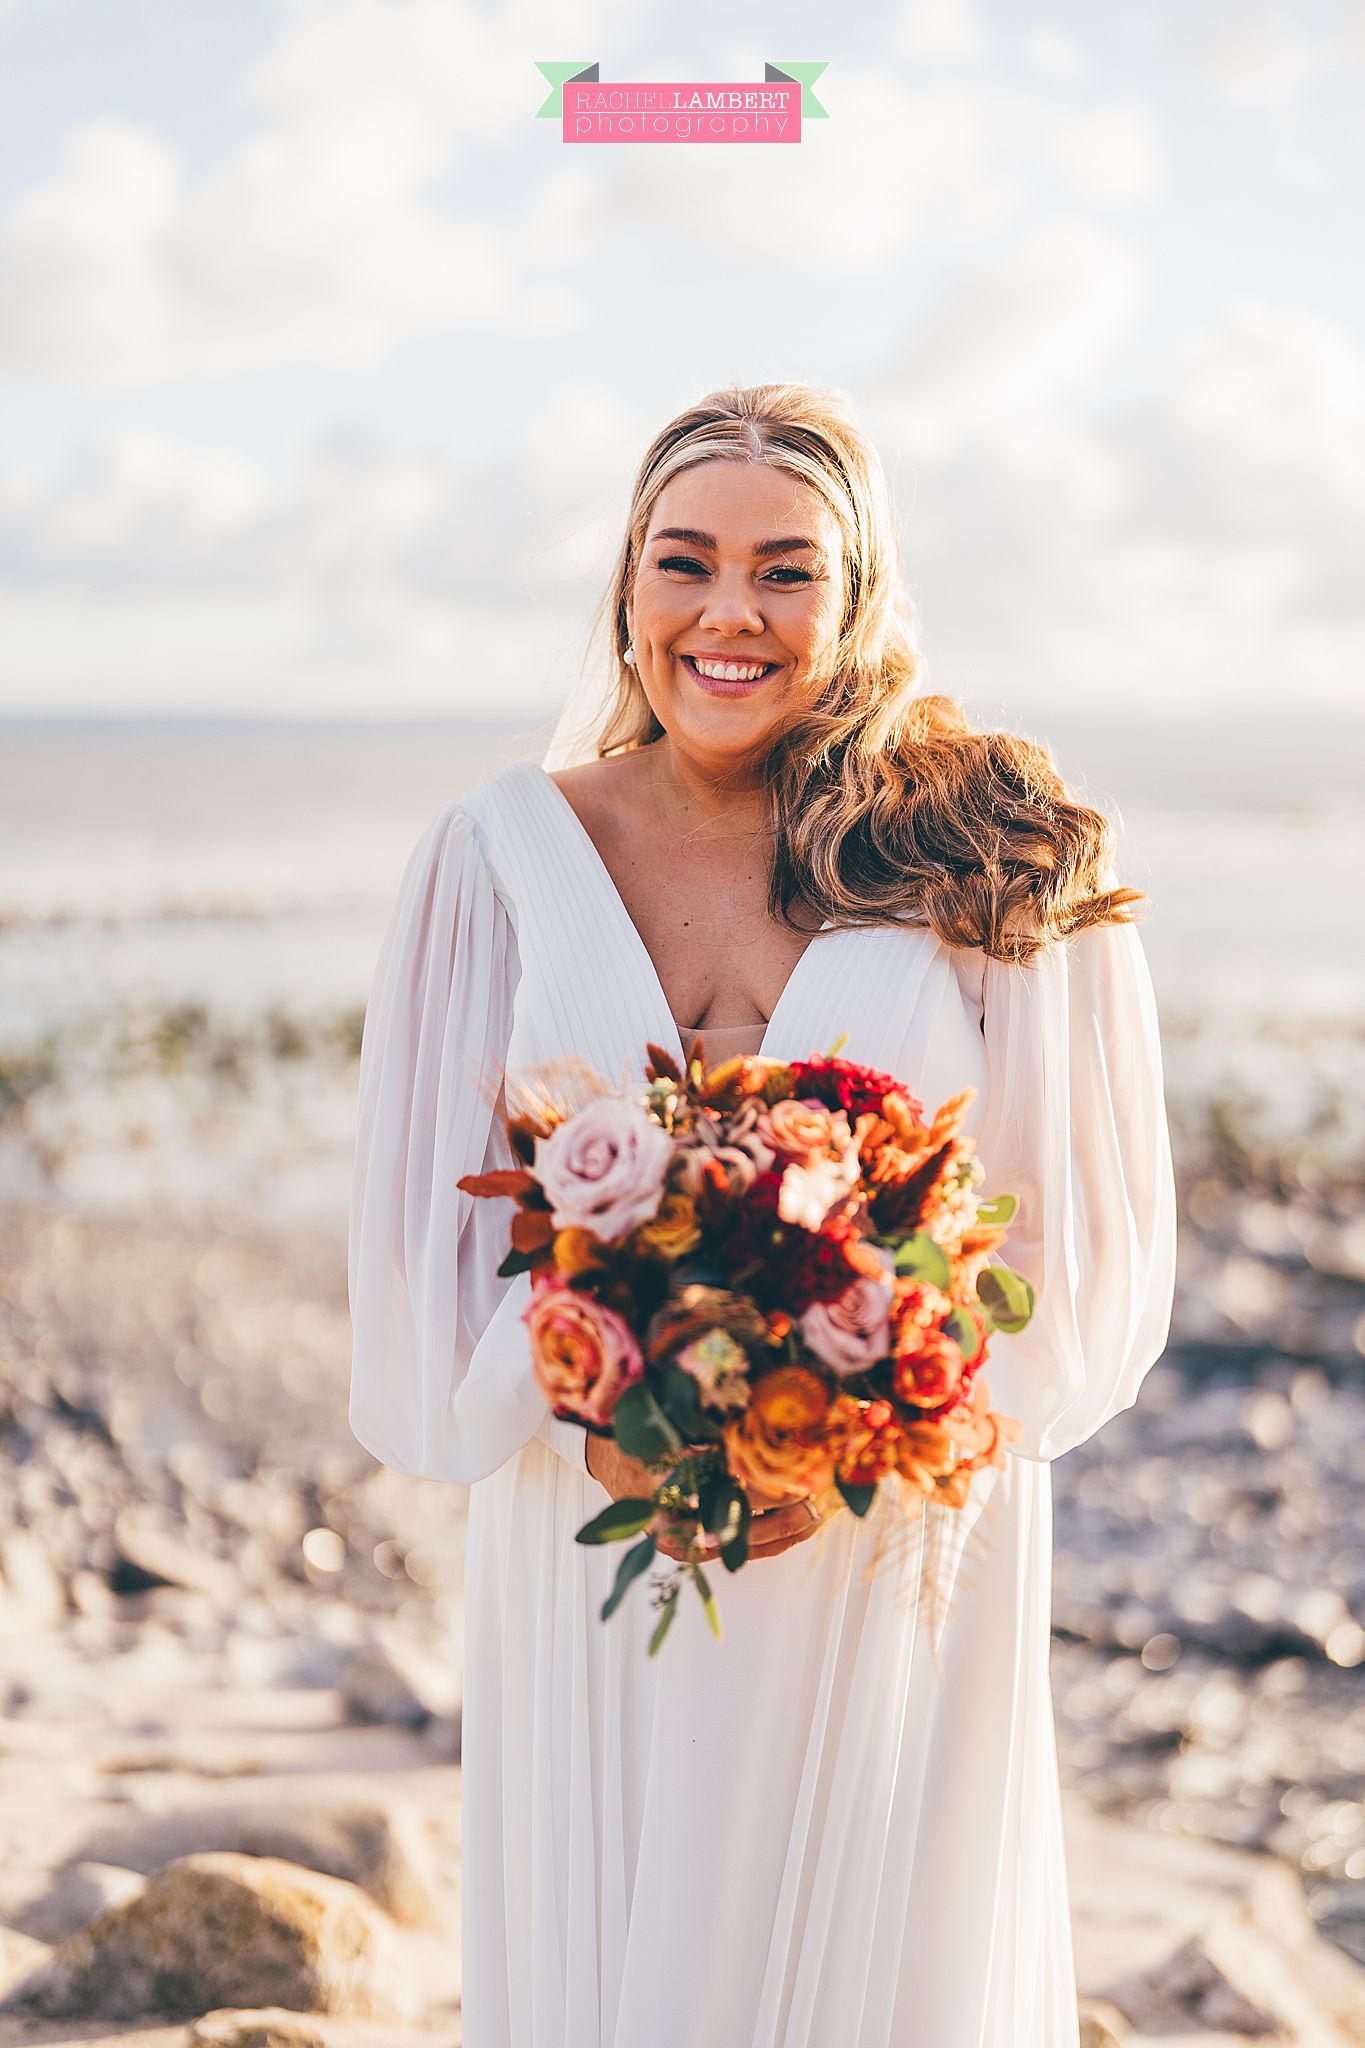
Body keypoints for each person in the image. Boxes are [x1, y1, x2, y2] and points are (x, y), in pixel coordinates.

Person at [347, 382, 1179, 2048]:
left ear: (857, 595)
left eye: (786, 570)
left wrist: (853, 1411)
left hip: (882, 1536)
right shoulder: (499, 853)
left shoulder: (980, 846)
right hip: (588, 1504)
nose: (729, 614)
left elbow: (1069, 1259)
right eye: (686, 563)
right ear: (626, 589)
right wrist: (604, 1407)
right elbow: (421, 1259)